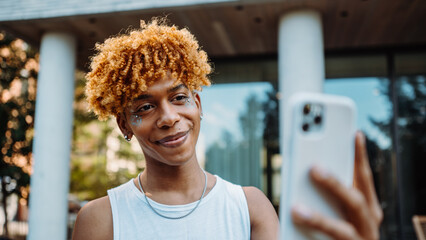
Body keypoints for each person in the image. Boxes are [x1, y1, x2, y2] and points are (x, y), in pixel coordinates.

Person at [72, 18, 382, 240]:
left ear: (198, 105)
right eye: (145, 107)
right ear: (125, 124)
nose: (168, 117)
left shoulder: (249, 207)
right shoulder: (101, 219)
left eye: (179, 98)